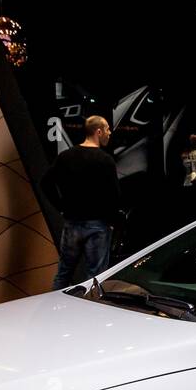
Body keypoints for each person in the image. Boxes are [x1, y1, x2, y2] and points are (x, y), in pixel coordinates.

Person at [41, 114, 121, 290]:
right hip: (97, 225)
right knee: (95, 277)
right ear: (98, 132)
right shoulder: (105, 160)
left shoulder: (66, 156)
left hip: (72, 224)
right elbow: (114, 196)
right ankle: (89, 316)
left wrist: (61, 208)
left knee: (64, 274)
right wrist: (113, 221)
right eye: (107, 129)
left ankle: (51, 312)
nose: (109, 133)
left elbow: (45, 183)